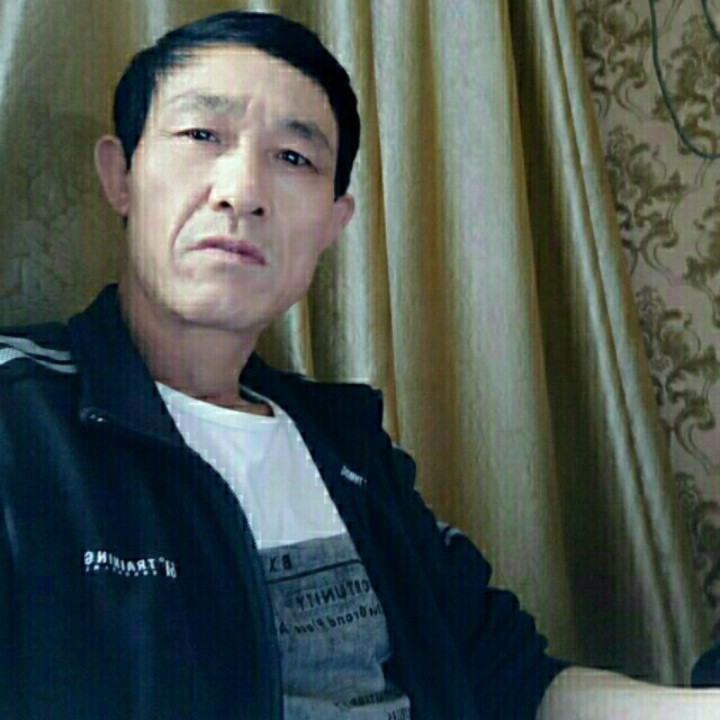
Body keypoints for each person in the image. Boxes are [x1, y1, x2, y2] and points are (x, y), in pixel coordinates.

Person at [0, 9, 717, 720]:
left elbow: (515, 681)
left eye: (293, 158)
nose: (241, 191)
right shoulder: (21, 423)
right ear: (120, 175)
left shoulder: (349, 448)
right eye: (201, 135)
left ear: (333, 224)